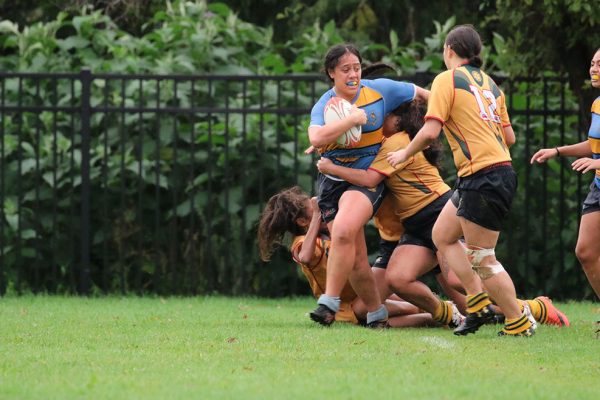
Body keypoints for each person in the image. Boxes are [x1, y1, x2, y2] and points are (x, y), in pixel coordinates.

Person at [386, 24, 536, 337]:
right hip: (488, 173)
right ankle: (479, 302)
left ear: (449, 50)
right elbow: (509, 136)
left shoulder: (447, 79)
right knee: (443, 235)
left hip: (484, 176)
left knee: (482, 257)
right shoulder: (492, 85)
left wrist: (402, 155)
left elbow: (429, 132)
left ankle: (518, 320)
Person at [306, 43, 429, 327]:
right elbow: (316, 138)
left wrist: (445, 119)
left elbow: (426, 95)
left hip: (364, 182)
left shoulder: (380, 90)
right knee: (358, 258)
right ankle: (376, 314)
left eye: (357, 68)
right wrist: (350, 119)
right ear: (331, 73)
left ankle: (329, 303)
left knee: (345, 230)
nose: (353, 74)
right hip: (332, 182)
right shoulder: (325, 104)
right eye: (345, 69)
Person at [318, 99, 468, 329]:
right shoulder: (379, 145)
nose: (376, 120)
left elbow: (369, 179)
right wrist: (325, 141)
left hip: (437, 212)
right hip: (411, 227)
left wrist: (330, 168)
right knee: (389, 286)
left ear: (397, 119)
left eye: (383, 115)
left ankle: (530, 309)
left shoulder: (396, 142)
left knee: (461, 285)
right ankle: (446, 314)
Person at [257, 186, 435, 328]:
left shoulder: (331, 233)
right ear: (303, 222)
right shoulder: (302, 242)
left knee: (401, 297)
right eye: (316, 211)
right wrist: (319, 215)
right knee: (398, 308)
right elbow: (304, 257)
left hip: (360, 294)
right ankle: (432, 318)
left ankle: (441, 311)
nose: (325, 211)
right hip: (348, 307)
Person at [531, 47, 600, 326]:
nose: (593, 68)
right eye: (593, 63)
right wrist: (557, 151)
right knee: (585, 251)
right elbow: (593, 145)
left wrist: (596, 163)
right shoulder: (597, 104)